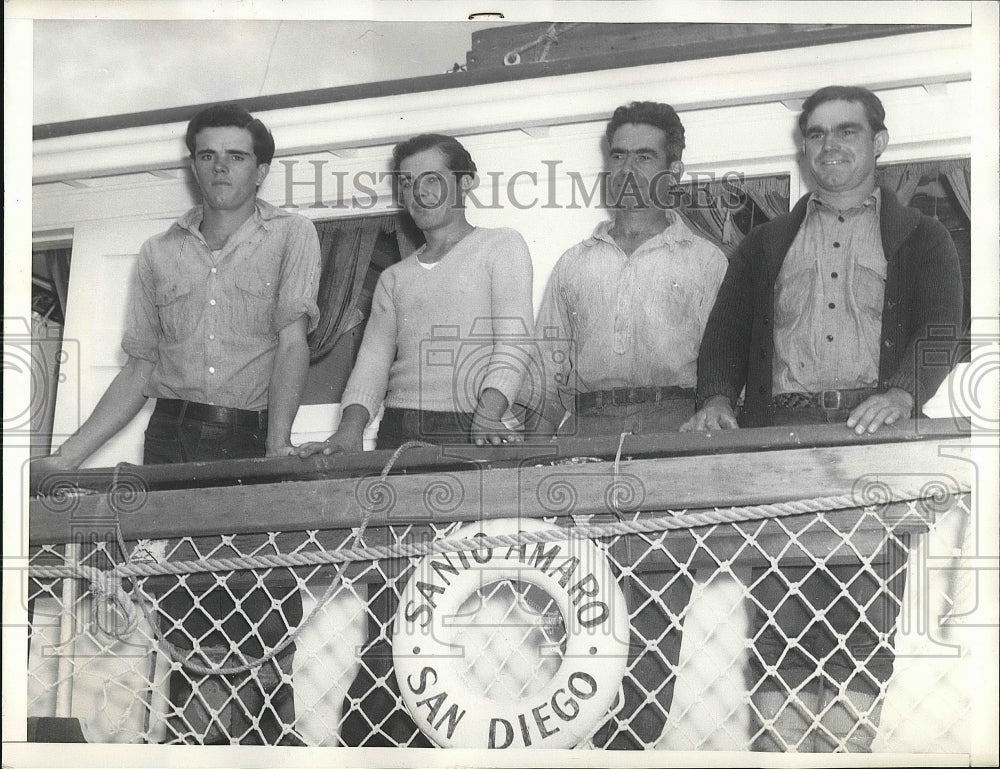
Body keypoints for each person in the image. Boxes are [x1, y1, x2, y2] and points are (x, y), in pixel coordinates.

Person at [682, 85, 963, 751]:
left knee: (861, 622)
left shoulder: (923, 237)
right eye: (816, 134)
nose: (830, 145)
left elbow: (941, 327)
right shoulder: (763, 243)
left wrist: (902, 391)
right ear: (803, 147)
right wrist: (718, 398)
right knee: (780, 621)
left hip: (876, 446)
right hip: (778, 447)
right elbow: (723, 337)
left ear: (879, 143)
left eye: (847, 131)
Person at [32, 103, 321, 745]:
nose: (220, 167)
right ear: (193, 165)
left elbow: (292, 341)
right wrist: (67, 460)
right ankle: (187, 749)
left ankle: (268, 748)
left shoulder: (291, 235)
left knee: (261, 608)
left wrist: (276, 443)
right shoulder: (158, 252)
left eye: (236, 155)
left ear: (261, 169)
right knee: (182, 610)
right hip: (172, 439)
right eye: (208, 154)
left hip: (248, 441)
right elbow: (140, 370)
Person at [297, 133, 534, 745]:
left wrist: (490, 408)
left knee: (475, 593)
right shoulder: (395, 279)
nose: (418, 192)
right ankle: (378, 733)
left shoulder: (501, 248)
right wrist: (349, 433)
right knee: (399, 593)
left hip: (471, 436)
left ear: (465, 183)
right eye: (406, 182)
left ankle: (473, 734)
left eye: (431, 178)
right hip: (402, 439)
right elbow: (373, 363)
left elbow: (515, 338)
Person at [520, 101, 728, 749]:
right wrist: (530, 477)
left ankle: (630, 748)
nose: (629, 168)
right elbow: (547, 377)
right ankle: (585, 745)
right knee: (581, 608)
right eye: (618, 154)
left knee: (653, 610)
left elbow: (726, 378)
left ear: (674, 167)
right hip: (584, 435)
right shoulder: (574, 264)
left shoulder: (708, 262)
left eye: (646, 155)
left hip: (669, 435)